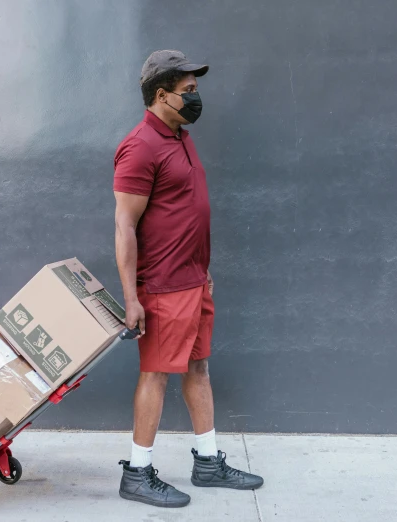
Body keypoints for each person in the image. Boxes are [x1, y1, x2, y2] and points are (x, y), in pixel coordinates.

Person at [113, 50, 264, 508]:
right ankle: (137, 473)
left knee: (198, 368)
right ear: (162, 95)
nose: (197, 97)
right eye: (189, 91)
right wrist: (131, 298)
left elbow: (184, 212)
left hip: (194, 280)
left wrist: (203, 270)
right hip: (161, 286)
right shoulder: (140, 146)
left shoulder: (179, 136)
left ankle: (208, 460)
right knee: (156, 374)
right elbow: (124, 226)